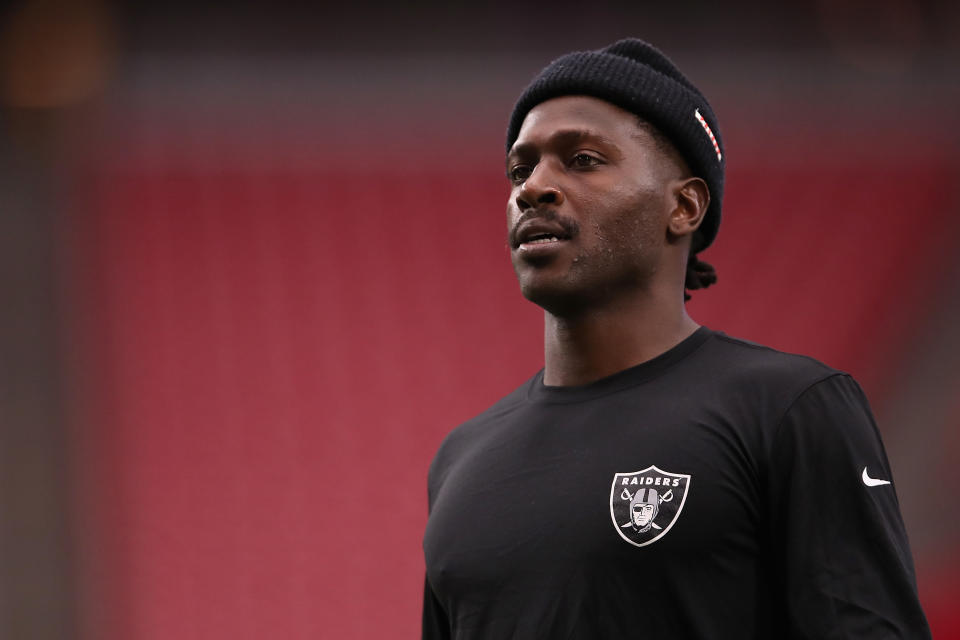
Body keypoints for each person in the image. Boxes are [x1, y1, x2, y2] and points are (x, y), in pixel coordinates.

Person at [422, 38, 930, 639]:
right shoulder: (461, 460)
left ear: (684, 206)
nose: (532, 187)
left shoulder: (788, 408)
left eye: (582, 159)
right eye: (519, 167)